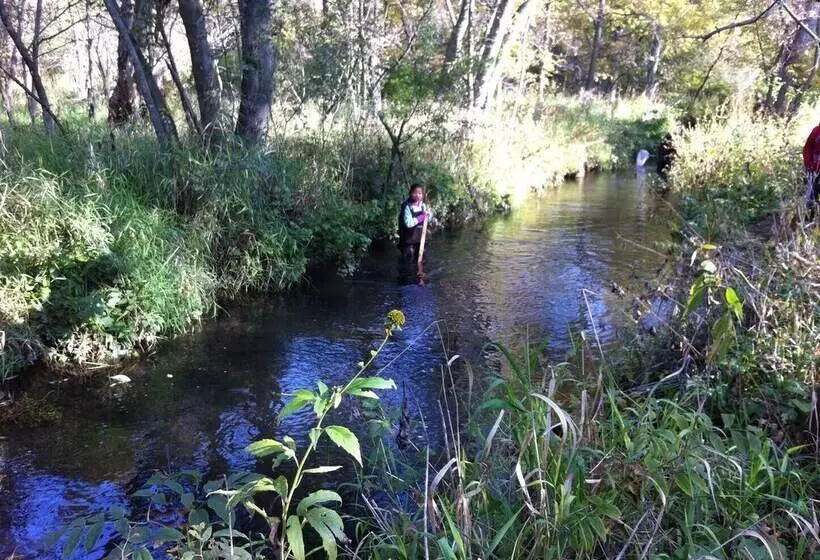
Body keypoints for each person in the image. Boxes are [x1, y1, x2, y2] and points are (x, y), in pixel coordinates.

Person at [398, 184, 431, 262]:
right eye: (415, 193)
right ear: (410, 193)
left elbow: (427, 218)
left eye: (420, 193)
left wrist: (429, 216)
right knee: (408, 262)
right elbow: (408, 223)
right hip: (408, 240)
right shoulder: (407, 207)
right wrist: (420, 218)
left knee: (422, 260)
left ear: (423, 195)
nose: (417, 195)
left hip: (420, 240)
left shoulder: (423, 205)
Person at [802, 123, 820, 215]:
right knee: (813, 190)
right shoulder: (816, 131)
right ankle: (811, 213)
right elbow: (807, 148)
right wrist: (808, 164)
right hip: (814, 167)